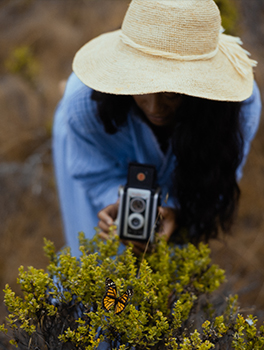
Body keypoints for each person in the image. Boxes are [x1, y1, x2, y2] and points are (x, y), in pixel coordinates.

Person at [53, 0, 261, 257]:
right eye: (140, 88)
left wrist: (175, 211)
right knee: (98, 262)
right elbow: (94, 173)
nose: (154, 107)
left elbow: (217, 180)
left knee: (165, 266)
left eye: (171, 94)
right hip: (92, 149)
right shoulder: (83, 104)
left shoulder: (237, 108)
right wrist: (118, 204)